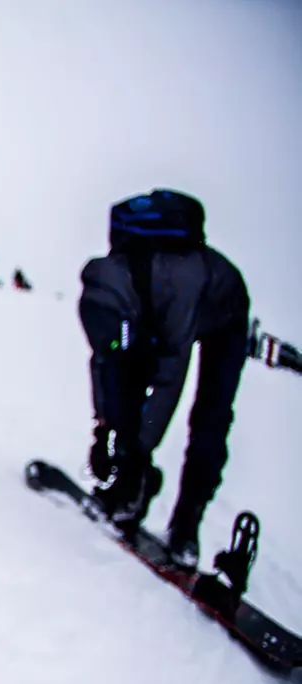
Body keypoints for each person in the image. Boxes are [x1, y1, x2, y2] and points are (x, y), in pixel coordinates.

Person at [78, 189, 250, 567]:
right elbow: (105, 360)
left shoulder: (178, 281)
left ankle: (187, 524)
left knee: (210, 415)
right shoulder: (108, 290)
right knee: (126, 374)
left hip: (223, 317)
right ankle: (129, 490)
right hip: (154, 313)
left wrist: (139, 451)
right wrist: (104, 427)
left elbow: (170, 379)